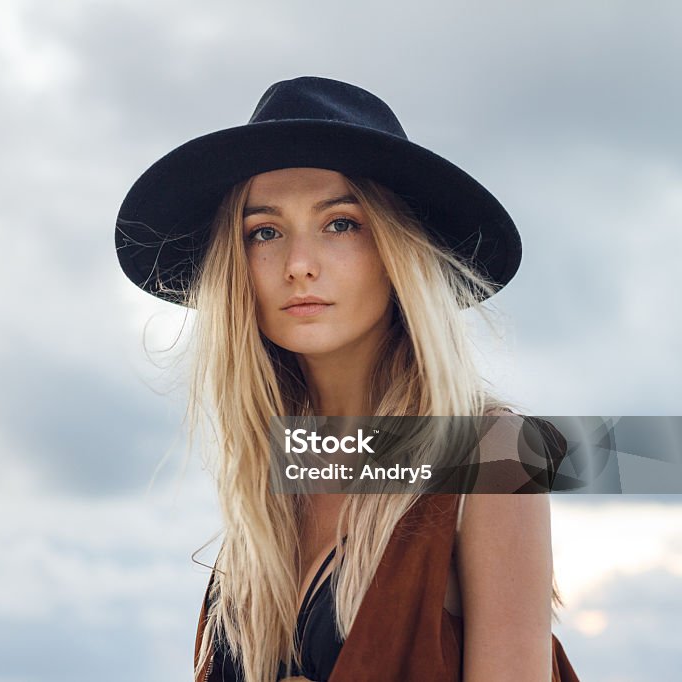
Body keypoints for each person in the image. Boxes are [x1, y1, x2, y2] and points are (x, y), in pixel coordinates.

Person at [114, 77, 580, 682]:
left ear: (398, 251)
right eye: (264, 231)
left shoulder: (491, 454)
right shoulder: (274, 481)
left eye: (340, 224)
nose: (299, 264)